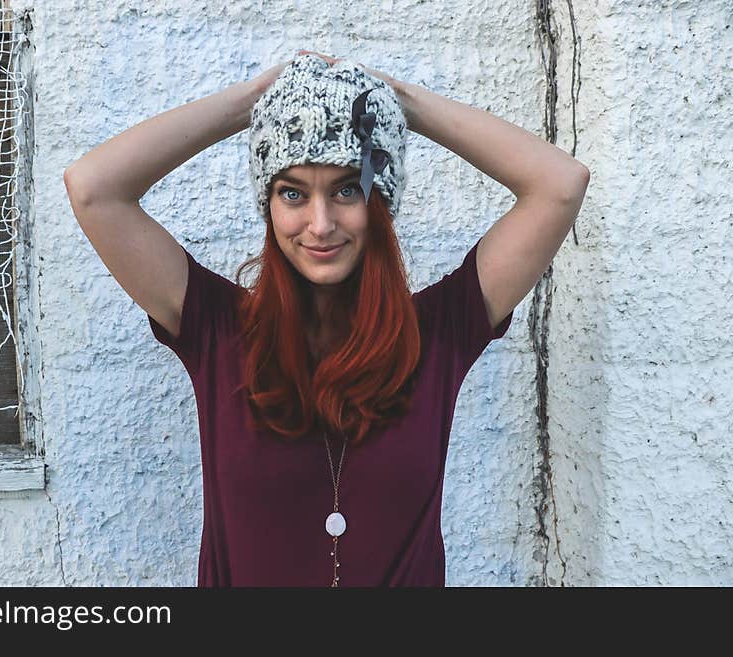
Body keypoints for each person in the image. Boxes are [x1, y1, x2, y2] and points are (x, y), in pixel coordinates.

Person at [64, 51, 590, 587]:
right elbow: (94, 188)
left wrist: (403, 103)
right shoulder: (218, 331)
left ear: (378, 202)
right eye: (292, 192)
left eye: (346, 190)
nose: (319, 224)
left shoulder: (437, 334)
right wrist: (252, 101)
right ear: (268, 206)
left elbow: (559, 184)